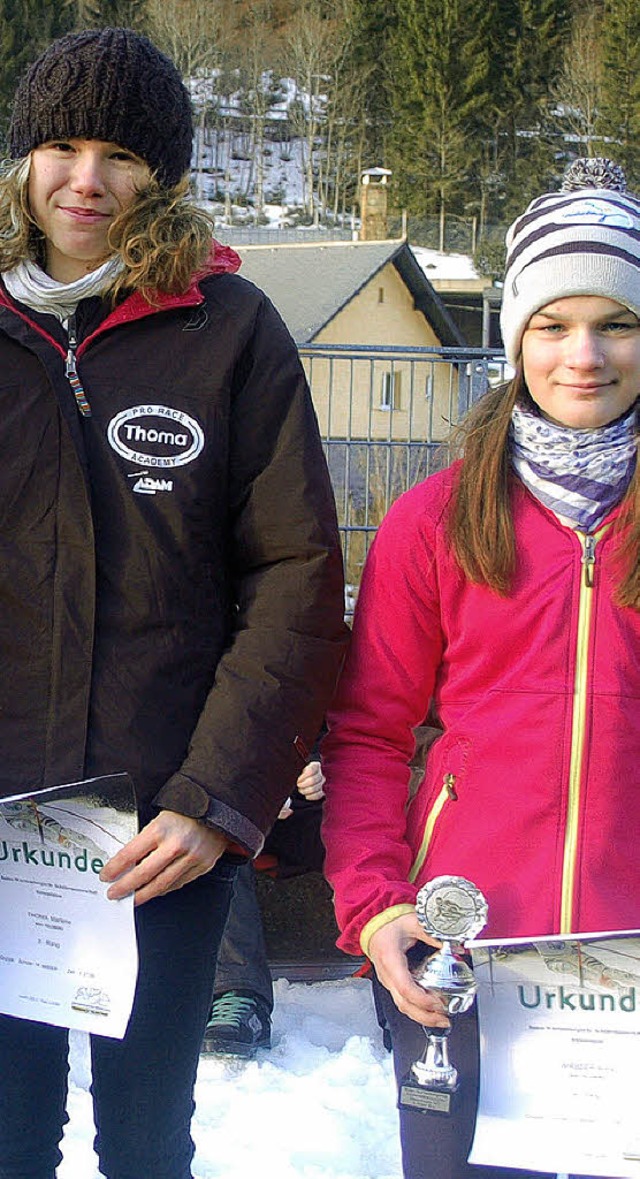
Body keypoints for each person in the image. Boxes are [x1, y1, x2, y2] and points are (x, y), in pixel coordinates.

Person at [0, 27, 347, 1179]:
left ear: (166, 175)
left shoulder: (230, 329)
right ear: (22, 159)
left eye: (118, 153)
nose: (85, 179)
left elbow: (295, 577)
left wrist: (215, 802)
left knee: (148, 1146)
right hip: (3, 838)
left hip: (162, 834)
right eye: (59, 145)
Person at [321, 156, 640, 1179]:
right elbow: (368, 734)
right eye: (551, 324)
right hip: (461, 963)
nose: (582, 354)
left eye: (616, 322)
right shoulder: (433, 522)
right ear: (514, 339)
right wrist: (375, 907)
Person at [202, 759, 326, 1057]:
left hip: (319, 802)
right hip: (220, 795)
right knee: (207, 820)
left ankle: (410, 987)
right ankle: (239, 992)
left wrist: (332, 768)